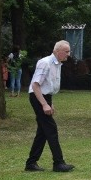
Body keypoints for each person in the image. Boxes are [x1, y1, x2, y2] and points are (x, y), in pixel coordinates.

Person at [25, 41, 75, 172]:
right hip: (37, 97)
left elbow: (47, 86)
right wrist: (44, 104)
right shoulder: (45, 63)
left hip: (44, 96)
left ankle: (31, 163)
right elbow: (35, 85)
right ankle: (58, 163)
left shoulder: (57, 64)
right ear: (58, 51)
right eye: (66, 51)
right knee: (51, 129)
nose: (68, 55)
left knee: (43, 132)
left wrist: (49, 102)